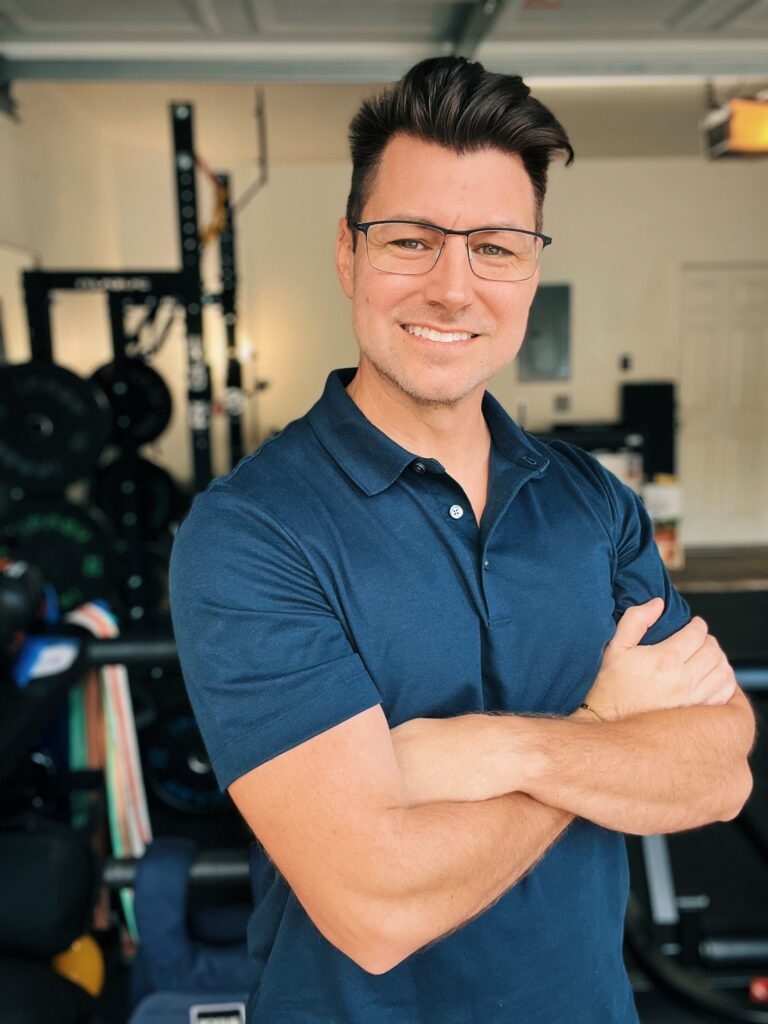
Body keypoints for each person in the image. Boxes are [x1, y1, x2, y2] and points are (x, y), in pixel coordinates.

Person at [169, 57, 755, 1024]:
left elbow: (721, 767)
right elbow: (376, 903)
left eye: (495, 247)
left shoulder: (589, 503)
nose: (453, 287)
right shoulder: (253, 532)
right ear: (349, 255)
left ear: (530, 271)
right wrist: (603, 734)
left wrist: (499, 749)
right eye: (411, 240)